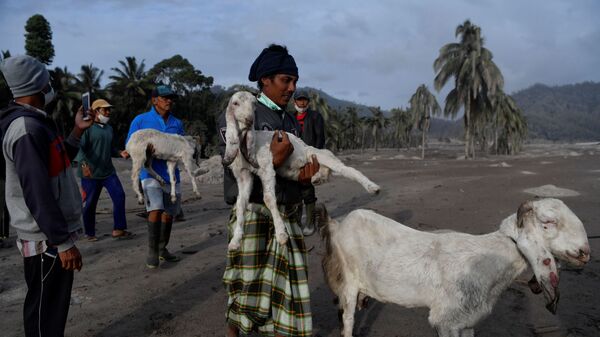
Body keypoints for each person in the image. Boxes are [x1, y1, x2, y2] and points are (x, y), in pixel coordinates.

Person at [218, 44, 320, 337]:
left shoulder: (289, 121)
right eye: (285, 80)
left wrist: (303, 180)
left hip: (286, 217)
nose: (292, 87)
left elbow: (290, 172)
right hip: (252, 217)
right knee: (244, 291)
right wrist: (272, 162)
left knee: (288, 295)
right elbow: (234, 176)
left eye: (294, 81)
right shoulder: (240, 110)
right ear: (265, 79)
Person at [0, 55, 93, 337]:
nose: (50, 84)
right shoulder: (26, 129)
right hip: (45, 239)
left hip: (51, 235)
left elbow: (58, 160)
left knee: (52, 307)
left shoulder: (37, 122)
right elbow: (37, 192)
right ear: (37, 85)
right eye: (46, 79)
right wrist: (62, 243)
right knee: (45, 311)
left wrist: (77, 131)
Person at [124, 85, 183, 268]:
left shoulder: (177, 123)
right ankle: (152, 252)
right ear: (154, 100)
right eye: (165, 98)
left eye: (171, 98)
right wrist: (144, 152)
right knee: (155, 209)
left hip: (172, 175)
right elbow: (129, 144)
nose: (169, 101)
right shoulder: (141, 120)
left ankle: (162, 248)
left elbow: (181, 146)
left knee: (168, 214)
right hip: (149, 173)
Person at [75, 99, 131, 241]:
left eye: (109, 109)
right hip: (90, 173)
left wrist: (119, 153)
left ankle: (119, 229)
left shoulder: (109, 129)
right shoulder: (86, 128)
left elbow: (110, 148)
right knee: (91, 203)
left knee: (119, 196)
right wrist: (83, 165)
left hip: (108, 171)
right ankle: (89, 233)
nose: (108, 112)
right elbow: (80, 148)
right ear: (95, 111)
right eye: (104, 109)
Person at [292, 89, 325, 236]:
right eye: (299, 100)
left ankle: (310, 223)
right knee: (294, 192)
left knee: (308, 191)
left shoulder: (315, 117)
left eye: (304, 100)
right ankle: (297, 223)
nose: (302, 102)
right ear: (295, 102)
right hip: (292, 160)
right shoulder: (290, 117)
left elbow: (320, 138)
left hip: (309, 158)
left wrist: (316, 158)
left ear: (308, 102)